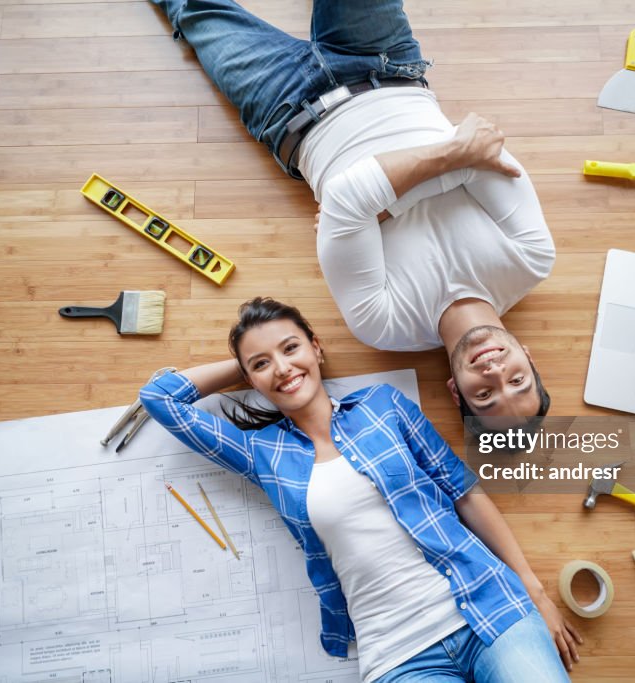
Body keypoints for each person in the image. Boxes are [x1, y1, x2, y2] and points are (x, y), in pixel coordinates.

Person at [149, 0, 557, 430]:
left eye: (485, 395)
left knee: (190, 5)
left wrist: (439, 168)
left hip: (283, 108)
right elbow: (481, 150)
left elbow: (457, 161)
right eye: (517, 380)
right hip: (385, 62)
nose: (495, 373)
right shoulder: (531, 260)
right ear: (528, 358)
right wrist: (372, 214)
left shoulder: (384, 328)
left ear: (456, 388)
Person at [139, 297, 581, 681]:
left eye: (291, 348)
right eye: (262, 363)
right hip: (398, 654)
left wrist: (534, 590)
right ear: (250, 379)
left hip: (489, 606)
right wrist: (247, 365)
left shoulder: (383, 405)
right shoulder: (261, 453)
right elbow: (161, 398)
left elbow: (465, 492)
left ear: (317, 347)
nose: (282, 367)